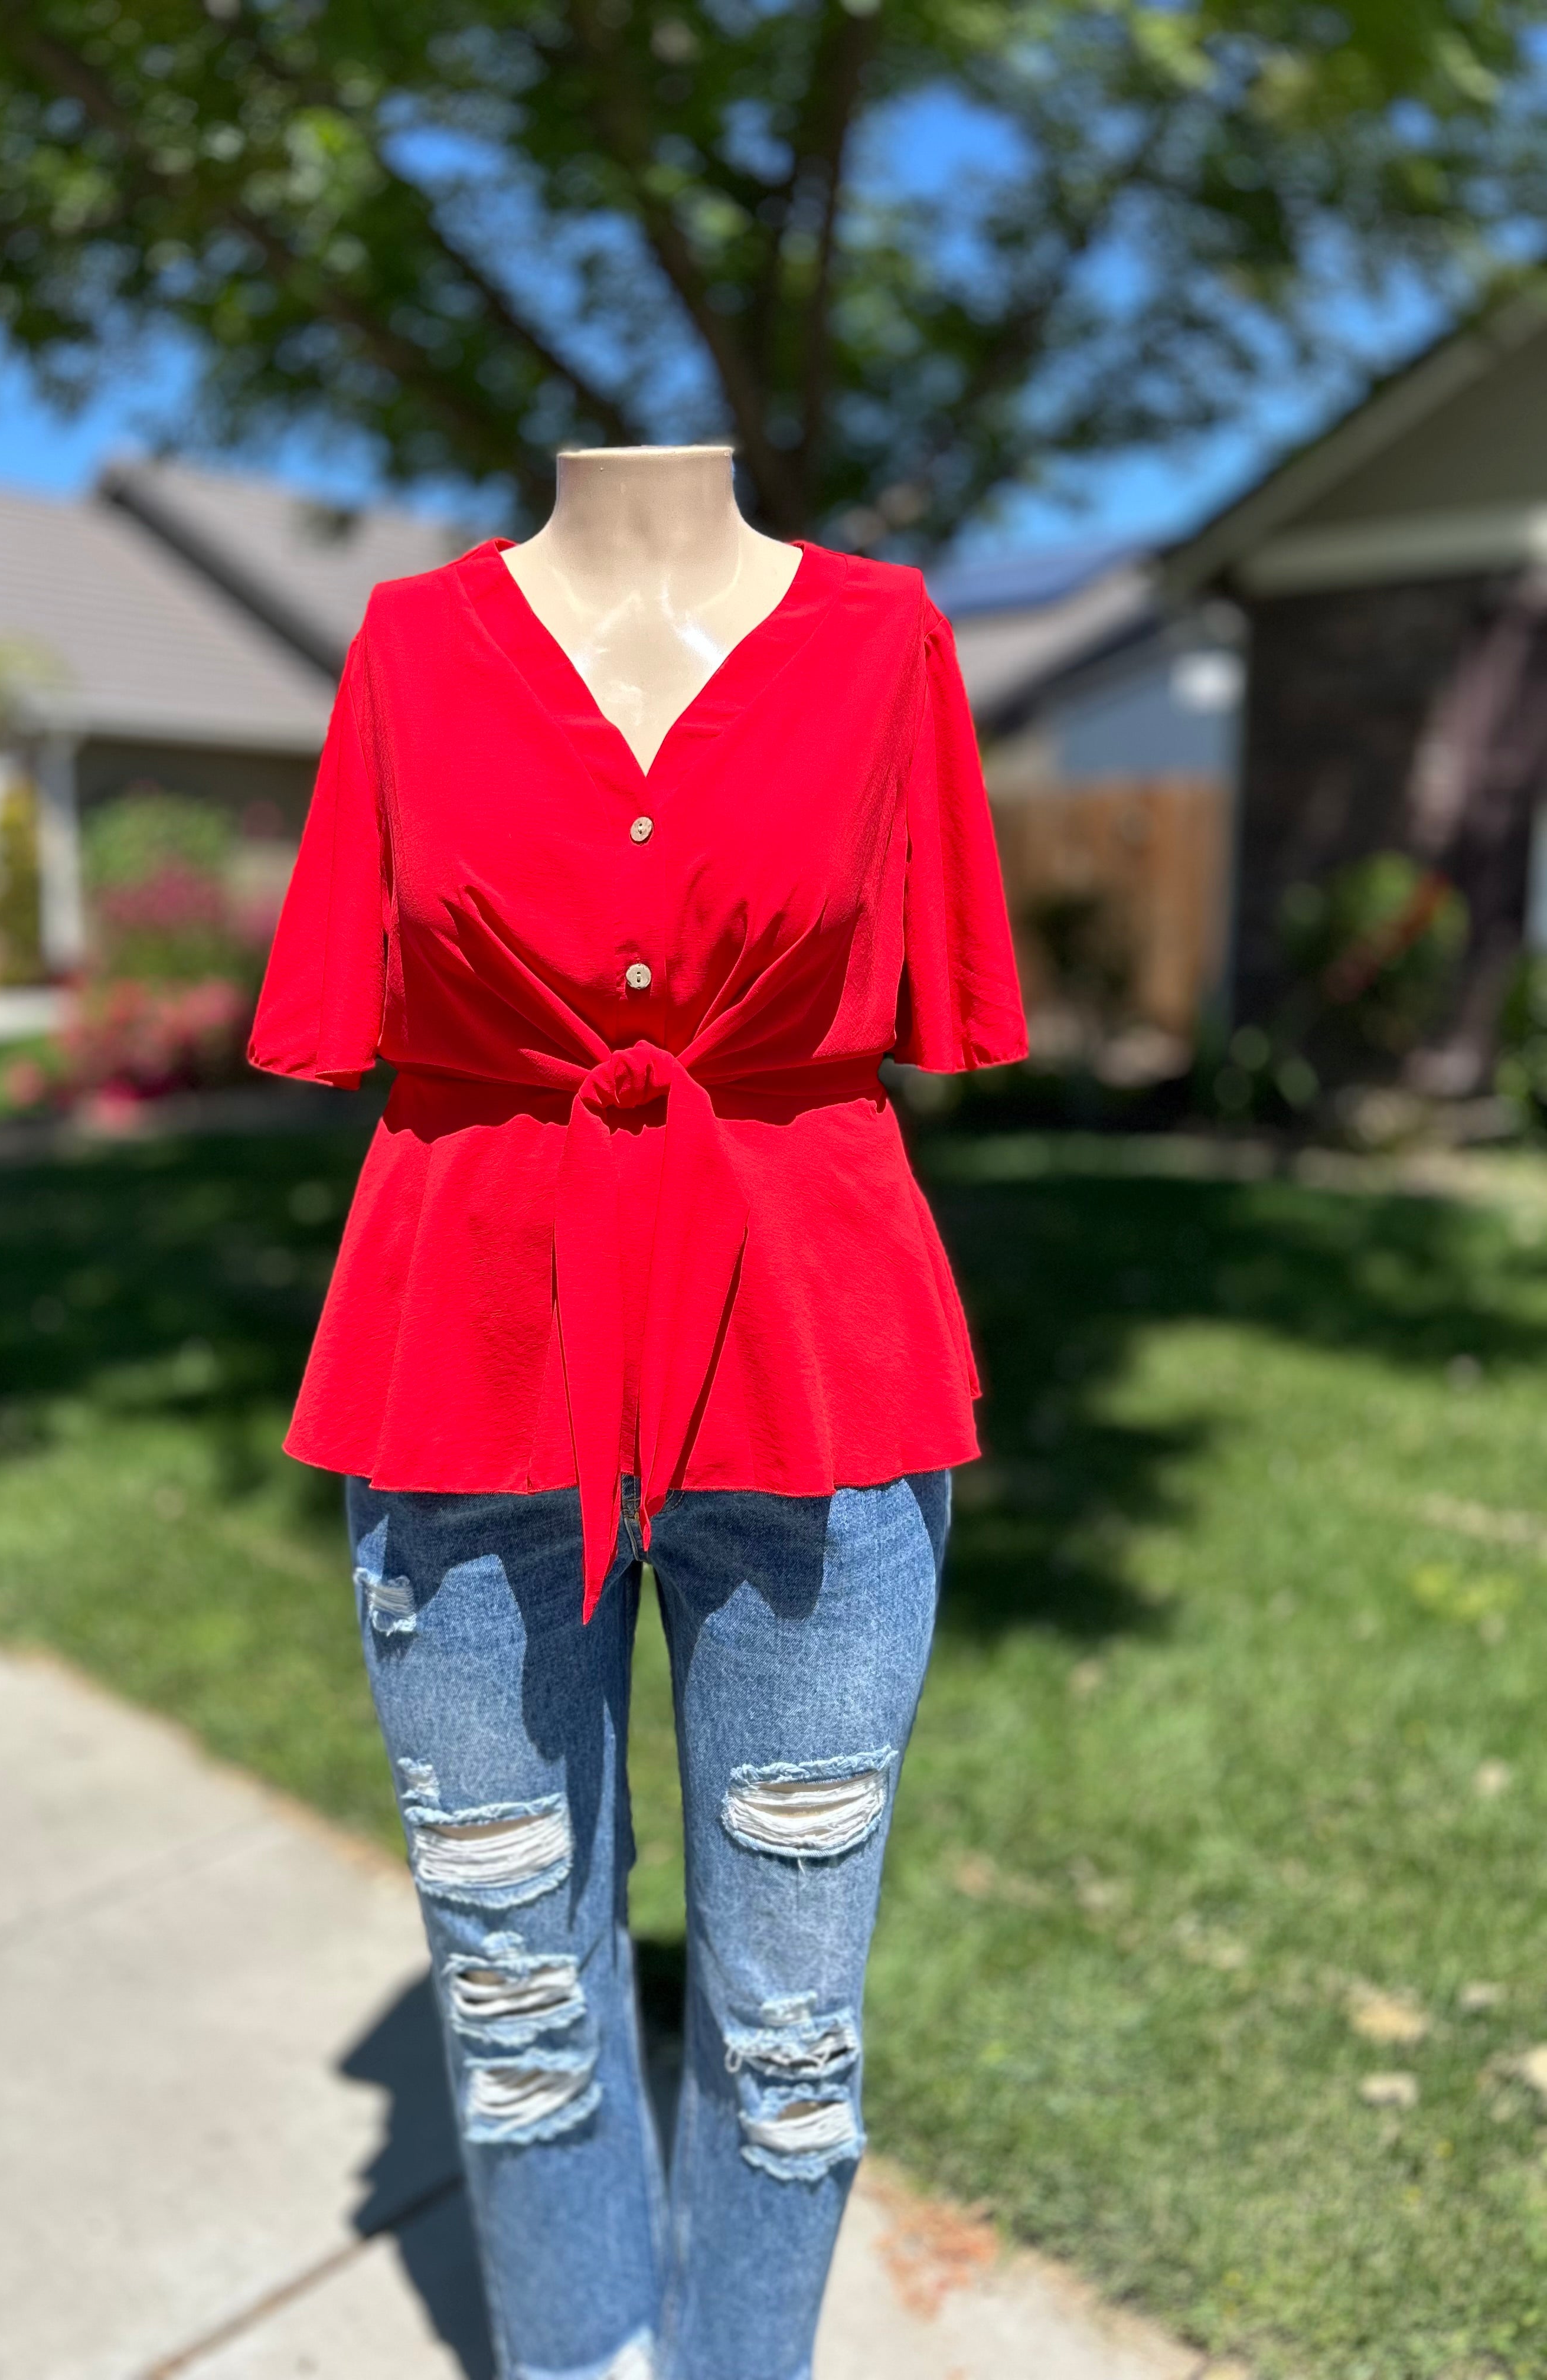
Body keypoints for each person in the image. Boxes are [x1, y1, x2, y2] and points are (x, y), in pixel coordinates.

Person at [248, 443, 1027, 2380]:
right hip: (467, 1372)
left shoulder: (886, 640)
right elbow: (343, 1000)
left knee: (788, 2033)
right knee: (516, 2002)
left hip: (818, 1379)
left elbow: (942, 991)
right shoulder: (409, 647)